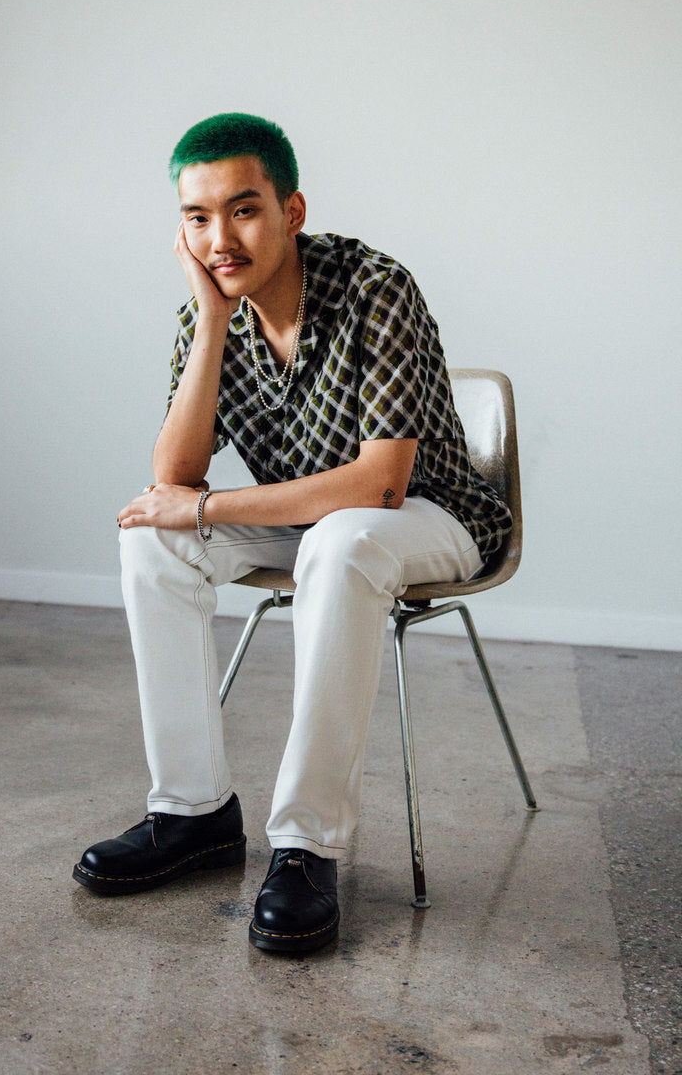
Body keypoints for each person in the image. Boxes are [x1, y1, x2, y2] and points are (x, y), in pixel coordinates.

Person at [73, 112, 511, 952]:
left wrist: (206, 509)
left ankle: (309, 845)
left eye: (243, 210)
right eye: (197, 218)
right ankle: (192, 813)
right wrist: (210, 324)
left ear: (291, 211)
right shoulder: (210, 312)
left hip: (433, 516)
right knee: (151, 539)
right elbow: (175, 478)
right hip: (308, 524)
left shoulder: (375, 286)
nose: (220, 239)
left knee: (342, 540)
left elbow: (381, 485)